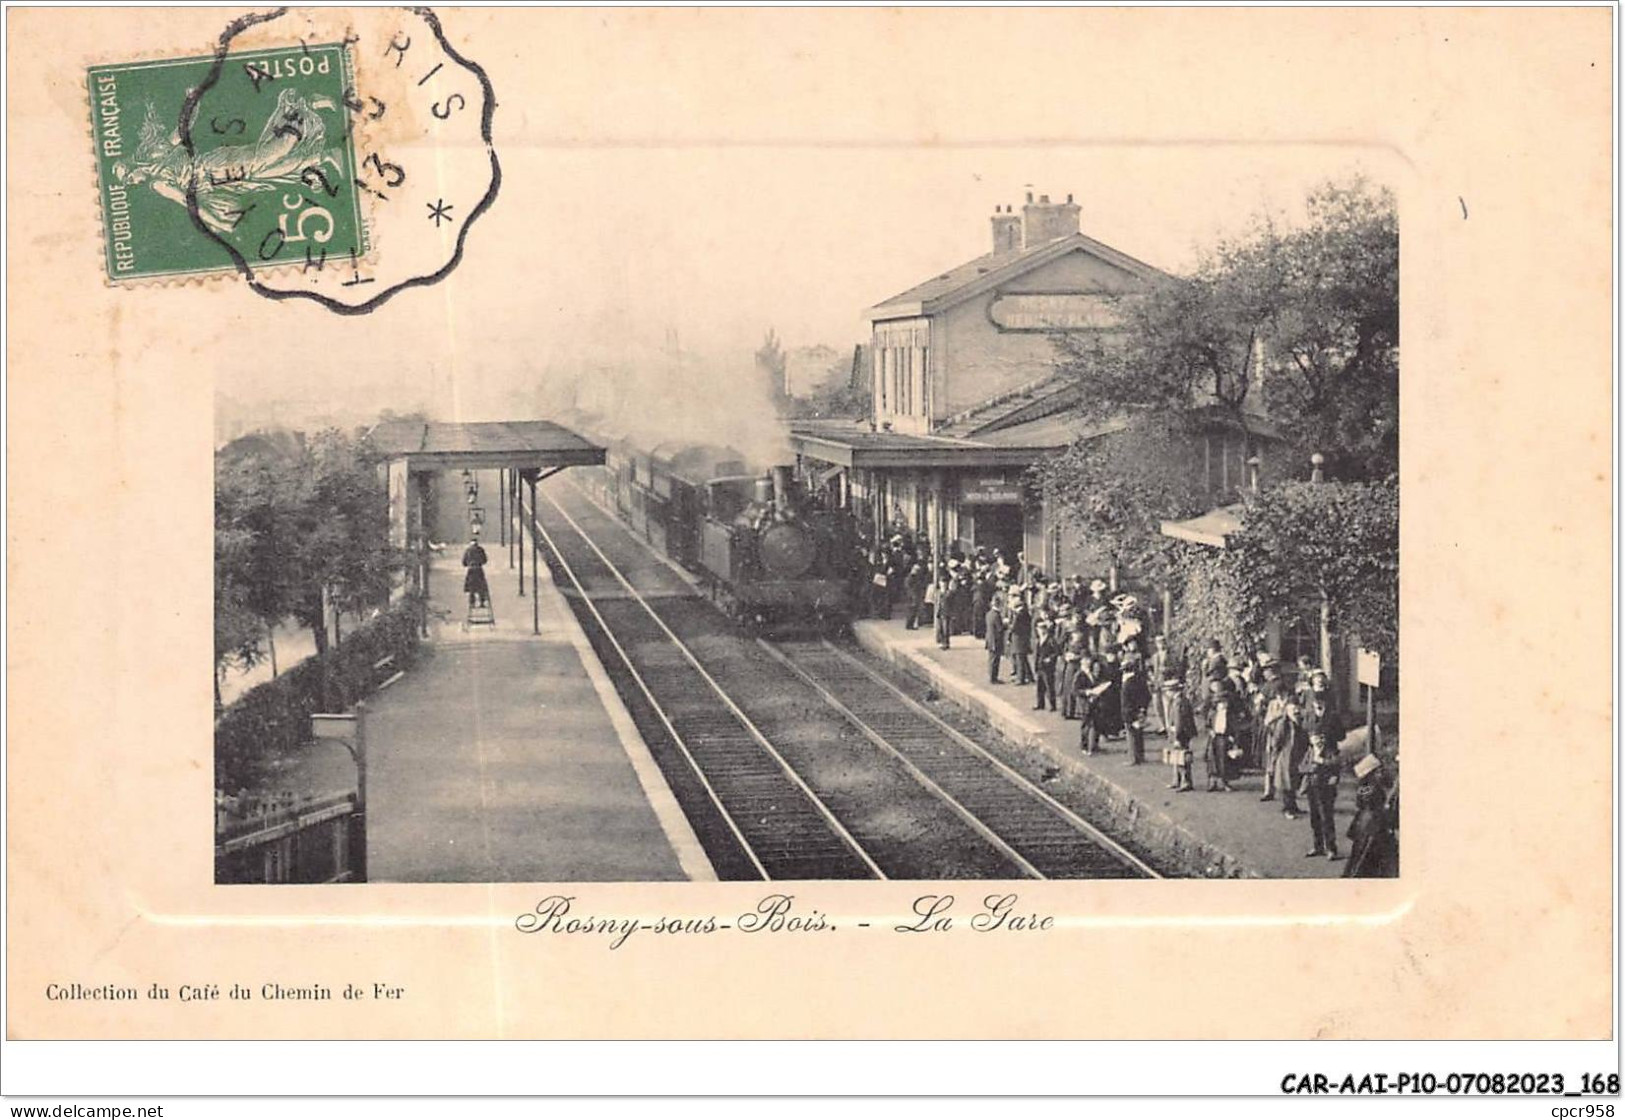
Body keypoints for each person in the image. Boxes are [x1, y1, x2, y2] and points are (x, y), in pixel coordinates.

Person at [1268, 698, 1310, 819]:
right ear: (1286, 710)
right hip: (1286, 756)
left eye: (1297, 708)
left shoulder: (1301, 722)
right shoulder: (1284, 724)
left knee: (1295, 781)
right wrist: (1275, 757)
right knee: (1286, 783)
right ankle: (1287, 809)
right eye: (1292, 709)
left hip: (1298, 756)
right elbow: (1276, 741)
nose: (1295, 711)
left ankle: (1293, 806)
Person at [1303, 732, 1342, 860]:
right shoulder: (1309, 751)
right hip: (1312, 788)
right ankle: (1318, 846)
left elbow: (1336, 765)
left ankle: (1331, 848)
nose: (1318, 741)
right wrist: (1311, 767)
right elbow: (1301, 767)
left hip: (1325, 789)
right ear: (1311, 739)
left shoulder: (1331, 751)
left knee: (1327, 818)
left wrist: (1322, 761)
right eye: (1315, 738)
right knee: (1314, 818)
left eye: (1321, 738)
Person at [1163, 676, 1197, 791]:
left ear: (1173, 691)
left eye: (1167, 691)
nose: (1166, 693)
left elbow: (1179, 722)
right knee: (1176, 758)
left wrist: (1177, 737)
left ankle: (1185, 782)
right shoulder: (1180, 700)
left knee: (1182, 758)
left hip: (1181, 734)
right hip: (1181, 733)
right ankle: (1177, 780)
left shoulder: (1179, 702)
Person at [1204, 677, 1237, 792]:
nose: (1223, 705)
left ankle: (1224, 782)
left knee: (1224, 760)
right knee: (1212, 759)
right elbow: (1207, 725)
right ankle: (1212, 782)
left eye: (1224, 702)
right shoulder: (1213, 714)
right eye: (1220, 703)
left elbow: (1233, 727)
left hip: (1225, 737)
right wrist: (1210, 731)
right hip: (1214, 737)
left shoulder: (1229, 715)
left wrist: (1232, 736)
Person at [1120, 651, 1151, 766]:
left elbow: (1126, 701)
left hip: (1130, 713)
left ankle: (1133, 758)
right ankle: (1141, 756)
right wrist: (1143, 709)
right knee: (1139, 735)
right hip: (1140, 711)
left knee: (1131, 735)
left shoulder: (1127, 683)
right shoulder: (1140, 679)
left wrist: (1129, 715)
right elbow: (1147, 695)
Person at [1033, 618, 1060, 712]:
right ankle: (1040, 703)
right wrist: (1035, 665)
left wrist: (1050, 659)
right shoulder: (1038, 640)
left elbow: (1057, 652)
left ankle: (1053, 705)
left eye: (1043, 628)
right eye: (1039, 628)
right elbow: (1036, 654)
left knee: (1049, 686)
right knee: (1039, 686)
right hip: (1040, 665)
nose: (1041, 630)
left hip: (1048, 667)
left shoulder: (1051, 640)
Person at [1008, 594, 1033, 685]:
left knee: (1020, 659)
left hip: (1018, 639)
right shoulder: (1026, 614)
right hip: (1024, 639)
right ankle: (1029, 676)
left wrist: (1009, 625)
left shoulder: (1019, 615)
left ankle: (1020, 678)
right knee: (1023, 658)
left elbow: (1013, 627)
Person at [462, 535, 490, 609]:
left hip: (471, 570)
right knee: (481, 586)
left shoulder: (467, 550)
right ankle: (482, 602)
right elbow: (485, 560)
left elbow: (464, 563)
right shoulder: (481, 550)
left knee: (472, 587)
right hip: (479, 569)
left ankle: (472, 603)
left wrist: (469, 563)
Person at [984, 600, 1006, 684]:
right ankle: (994, 678)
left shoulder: (989, 614)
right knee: (995, 660)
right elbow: (1000, 628)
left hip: (989, 639)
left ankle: (991, 676)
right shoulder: (997, 615)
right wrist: (1005, 624)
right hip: (996, 641)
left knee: (991, 659)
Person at [903, 563, 926, 630]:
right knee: (912, 610)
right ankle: (909, 625)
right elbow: (909, 587)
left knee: (914, 611)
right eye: (916, 570)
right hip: (912, 596)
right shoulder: (910, 577)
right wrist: (913, 595)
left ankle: (910, 624)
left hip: (914, 595)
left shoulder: (915, 577)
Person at [933, 575, 953, 650]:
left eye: (944, 583)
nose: (943, 585)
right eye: (941, 583)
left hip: (946, 613)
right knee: (940, 628)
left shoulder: (949, 593)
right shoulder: (938, 592)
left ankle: (946, 643)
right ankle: (941, 642)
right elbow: (936, 601)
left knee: (946, 629)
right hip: (939, 612)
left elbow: (951, 602)